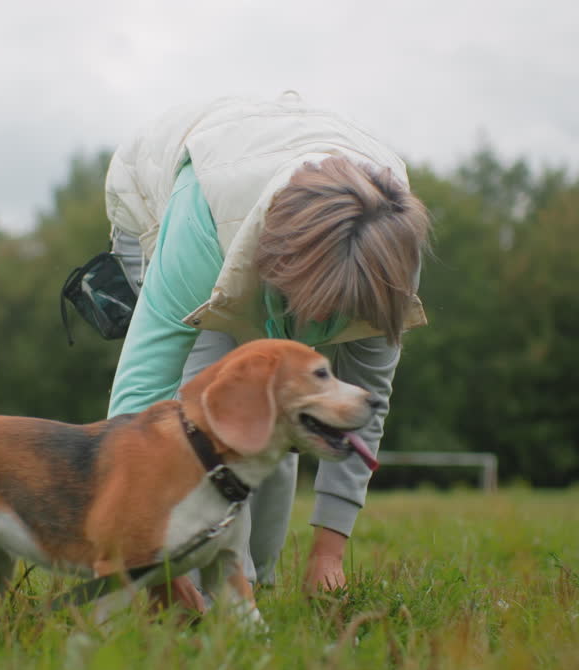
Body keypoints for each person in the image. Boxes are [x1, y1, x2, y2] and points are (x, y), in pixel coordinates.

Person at [103, 92, 431, 607]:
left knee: (282, 415)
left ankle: (255, 589)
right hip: (160, 193)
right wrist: (151, 562)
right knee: (214, 417)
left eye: (340, 317)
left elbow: (364, 403)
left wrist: (328, 555)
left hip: (270, 202)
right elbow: (139, 399)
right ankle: (219, 593)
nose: (321, 330)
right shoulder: (198, 234)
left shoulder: (387, 252)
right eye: (317, 312)